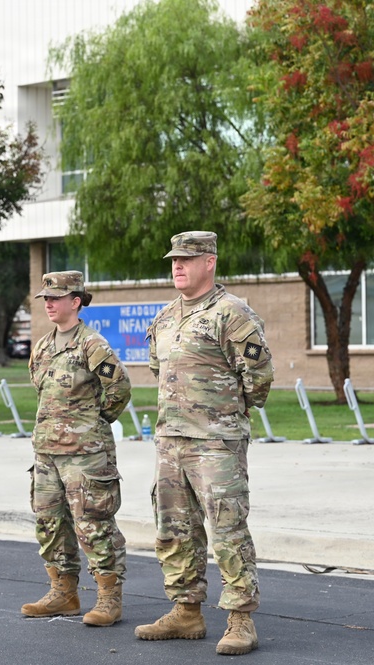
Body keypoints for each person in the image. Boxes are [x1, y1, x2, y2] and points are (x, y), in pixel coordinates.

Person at [135, 231, 274, 656]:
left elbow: (259, 379)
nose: (177, 266)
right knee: (174, 530)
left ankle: (241, 619)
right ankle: (186, 611)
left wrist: (224, 414)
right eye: (174, 260)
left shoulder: (231, 313)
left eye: (186, 259)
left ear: (209, 262)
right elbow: (159, 370)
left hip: (216, 443)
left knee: (228, 529)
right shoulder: (164, 317)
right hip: (170, 441)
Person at [22, 270, 132, 627]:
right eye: (46, 299)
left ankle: (109, 598)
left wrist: (92, 424)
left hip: (85, 456)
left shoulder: (92, 345)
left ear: (76, 301)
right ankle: (63, 593)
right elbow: (42, 390)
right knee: (49, 524)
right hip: (46, 453)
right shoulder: (42, 346)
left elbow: (119, 389)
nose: (49, 304)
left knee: (93, 525)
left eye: (56, 298)